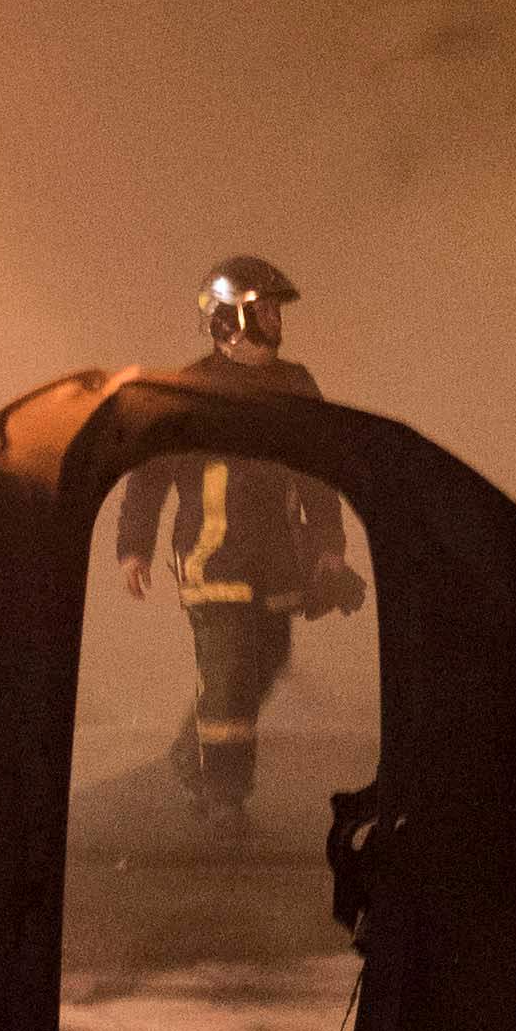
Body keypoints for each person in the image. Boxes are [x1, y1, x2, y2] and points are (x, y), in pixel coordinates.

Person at [112, 255, 359, 829]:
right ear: (228, 320)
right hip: (211, 557)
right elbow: (149, 474)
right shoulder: (190, 389)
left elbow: (319, 471)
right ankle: (225, 795)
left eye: (275, 311)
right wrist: (134, 547)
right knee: (228, 674)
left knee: (268, 658)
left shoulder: (295, 384)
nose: (276, 321)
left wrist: (329, 545)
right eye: (264, 311)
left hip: (277, 558)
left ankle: (190, 755)